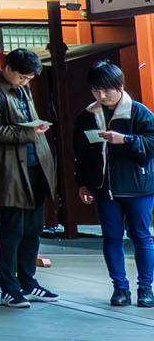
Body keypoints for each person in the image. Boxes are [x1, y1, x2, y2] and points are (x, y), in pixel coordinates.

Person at [0, 47, 59, 308]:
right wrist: (29, 133)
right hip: (11, 170)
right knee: (12, 231)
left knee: (33, 230)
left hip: (35, 167)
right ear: (8, 68)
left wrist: (35, 130)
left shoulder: (22, 89)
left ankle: (28, 282)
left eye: (29, 79)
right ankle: (9, 289)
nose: (25, 82)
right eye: (22, 77)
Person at [75, 60, 154, 307]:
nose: (101, 96)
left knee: (141, 236)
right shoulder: (87, 116)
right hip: (104, 188)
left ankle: (146, 289)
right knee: (111, 237)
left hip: (138, 187)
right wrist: (83, 183)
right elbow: (81, 153)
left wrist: (126, 140)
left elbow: (151, 143)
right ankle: (120, 288)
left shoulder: (139, 112)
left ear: (119, 87)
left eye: (106, 90)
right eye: (95, 90)